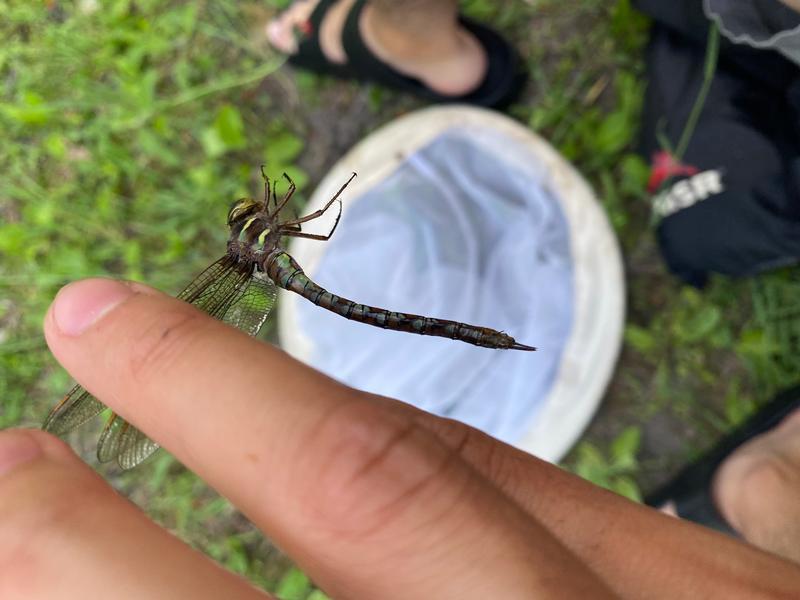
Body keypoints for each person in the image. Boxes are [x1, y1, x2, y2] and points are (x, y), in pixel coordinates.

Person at [2, 278, 800, 597]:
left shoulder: (262, 251)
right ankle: (759, 496)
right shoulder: (245, 268)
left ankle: (757, 499)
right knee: (370, 475)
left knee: (375, 476)